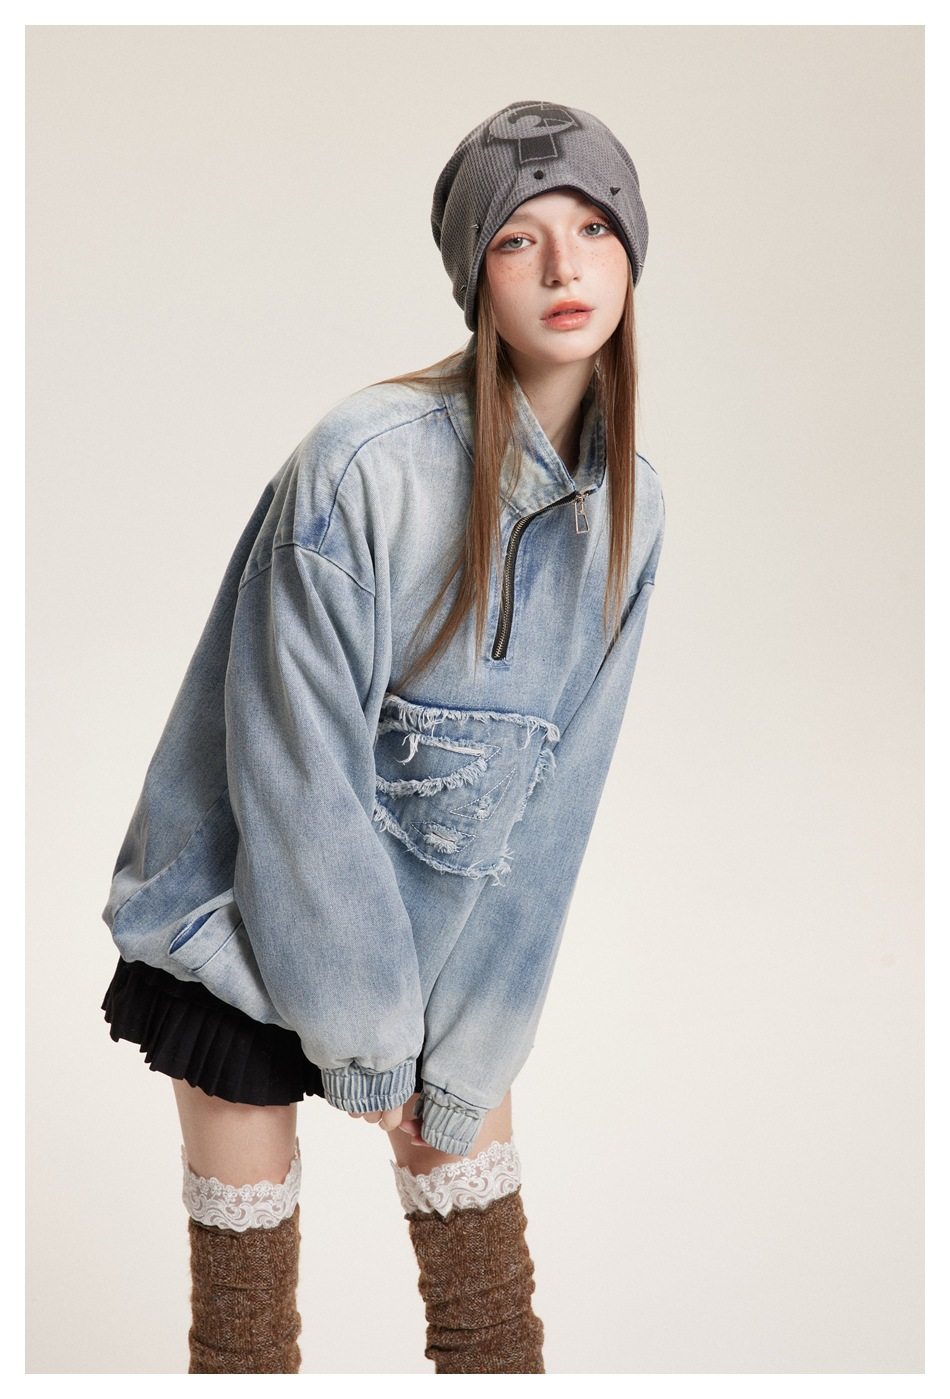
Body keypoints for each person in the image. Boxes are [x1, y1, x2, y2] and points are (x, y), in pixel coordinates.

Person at [98, 97, 666, 1375]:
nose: (564, 268)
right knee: (247, 1339)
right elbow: (292, 768)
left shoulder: (633, 512)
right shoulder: (362, 464)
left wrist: (467, 1044)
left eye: (592, 228)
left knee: (489, 1328)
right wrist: (364, 1034)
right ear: (474, 274)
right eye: (518, 239)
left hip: (432, 949)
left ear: (633, 252)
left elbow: (557, 810)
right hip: (242, 924)